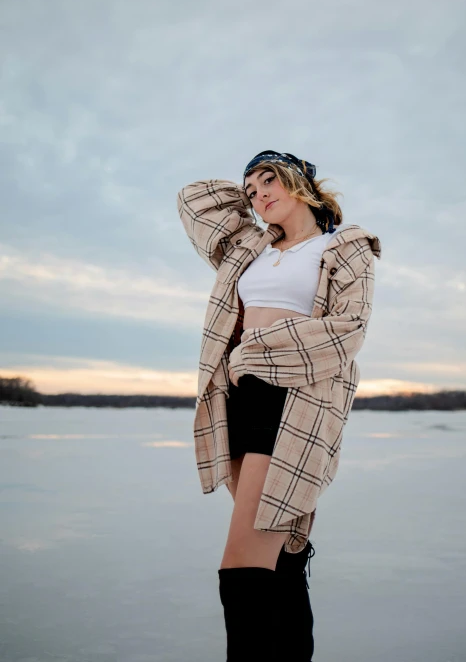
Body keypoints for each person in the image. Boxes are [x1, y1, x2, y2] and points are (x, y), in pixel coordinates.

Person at [177, 150, 381, 661]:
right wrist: (254, 200)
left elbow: (348, 329)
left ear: (299, 181)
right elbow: (193, 200)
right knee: (279, 559)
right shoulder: (249, 247)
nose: (258, 194)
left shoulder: (342, 246)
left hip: (293, 400)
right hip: (238, 399)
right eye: (250, 191)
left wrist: (257, 350)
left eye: (269, 180)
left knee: (243, 563)